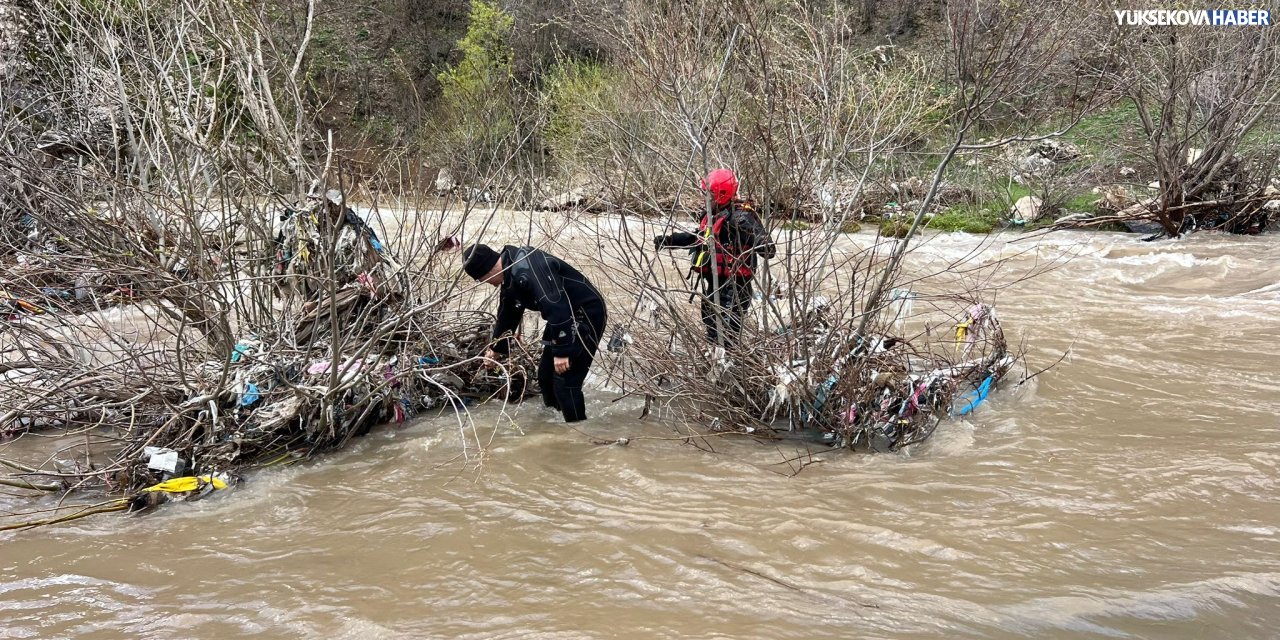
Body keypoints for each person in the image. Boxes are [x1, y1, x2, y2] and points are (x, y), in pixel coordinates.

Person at [462, 243, 608, 423]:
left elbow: (556, 306)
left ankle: (577, 433)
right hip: (562, 318)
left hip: (585, 313)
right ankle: (555, 424)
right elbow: (508, 314)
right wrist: (496, 348)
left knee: (565, 382)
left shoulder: (526, 268)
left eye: (481, 279)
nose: (485, 283)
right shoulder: (510, 273)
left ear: (487, 270)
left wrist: (562, 351)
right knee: (545, 377)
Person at [653, 168, 776, 346]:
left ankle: (729, 365)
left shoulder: (742, 218)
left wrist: (754, 237)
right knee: (711, 326)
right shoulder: (715, 215)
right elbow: (698, 238)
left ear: (721, 194)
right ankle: (715, 364)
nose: (706, 197)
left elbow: (769, 250)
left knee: (726, 334)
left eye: (709, 193)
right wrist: (669, 241)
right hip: (715, 284)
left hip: (734, 288)